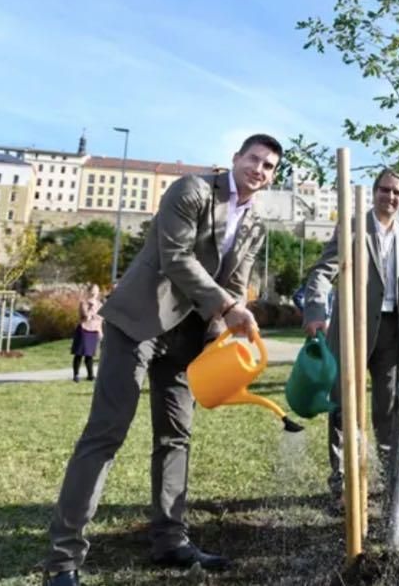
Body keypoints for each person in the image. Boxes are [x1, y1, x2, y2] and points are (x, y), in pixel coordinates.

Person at [43, 134, 282, 586]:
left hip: (188, 339)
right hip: (138, 322)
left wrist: (226, 331)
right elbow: (176, 257)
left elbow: (236, 283)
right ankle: (63, 560)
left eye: (269, 166)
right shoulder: (191, 190)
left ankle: (170, 541)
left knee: (177, 436)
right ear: (235, 159)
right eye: (253, 159)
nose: (259, 169)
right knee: (105, 434)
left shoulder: (255, 226)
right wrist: (228, 308)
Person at [302, 167, 399, 506]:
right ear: (374, 192)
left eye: (398, 192)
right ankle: (342, 483)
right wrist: (315, 311)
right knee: (343, 405)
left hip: (391, 330)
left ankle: (390, 481)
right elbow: (323, 271)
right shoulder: (354, 226)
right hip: (352, 328)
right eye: (385, 190)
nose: (391, 197)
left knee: (387, 407)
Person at [71, 284, 103, 382]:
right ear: (89, 292)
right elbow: (86, 316)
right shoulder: (84, 303)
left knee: (90, 355)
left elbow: (100, 319)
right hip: (84, 329)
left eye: (96, 291)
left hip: (94, 331)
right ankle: (76, 375)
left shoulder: (100, 304)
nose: (94, 293)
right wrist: (91, 308)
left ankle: (90, 375)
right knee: (79, 353)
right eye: (92, 291)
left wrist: (101, 331)